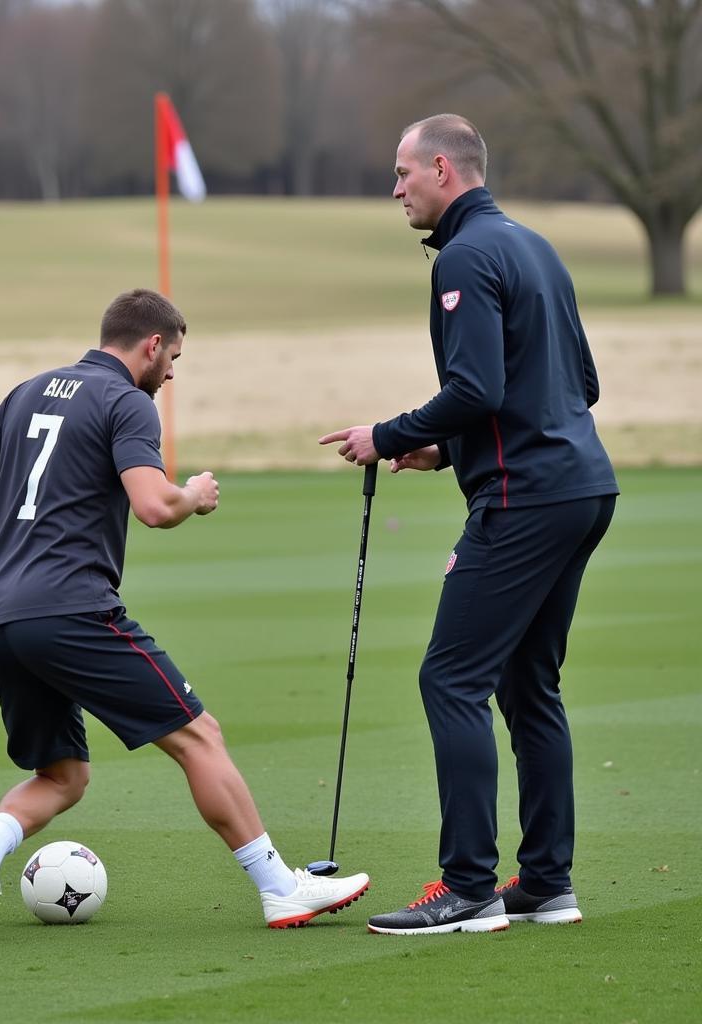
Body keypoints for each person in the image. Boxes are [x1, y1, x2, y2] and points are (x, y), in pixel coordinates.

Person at [0, 288, 369, 939]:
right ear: (150, 345)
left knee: (62, 776)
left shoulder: (29, 390)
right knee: (200, 737)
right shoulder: (127, 402)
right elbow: (153, 507)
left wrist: (46, 516)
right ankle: (280, 889)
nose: (172, 371)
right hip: (72, 610)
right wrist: (193, 495)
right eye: (173, 356)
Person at [320, 114, 618, 935]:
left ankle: (469, 888)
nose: (395, 189)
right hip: (584, 488)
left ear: (442, 169)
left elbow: (480, 389)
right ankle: (548, 884)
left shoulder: (464, 254)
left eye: (402, 172)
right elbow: (578, 383)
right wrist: (449, 451)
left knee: (450, 678)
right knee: (530, 685)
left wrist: (388, 436)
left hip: (525, 498)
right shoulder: (534, 245)